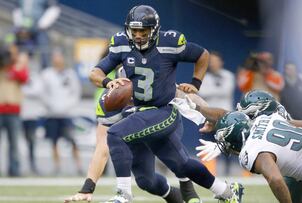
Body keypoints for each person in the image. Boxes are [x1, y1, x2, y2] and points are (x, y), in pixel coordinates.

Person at [89, 5, 242, 203]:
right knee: (174, 168)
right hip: (136, 114)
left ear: (154, 30)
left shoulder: (169, 43)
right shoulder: (121, 44)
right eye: (134, 31)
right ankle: (228, 192)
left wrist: (196, 83)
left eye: (143, 31)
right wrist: (107, 82)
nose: (138, 36)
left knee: (116, 134)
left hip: (162, 111)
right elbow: (95, 72)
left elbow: (202, 54)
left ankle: (123, 194)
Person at [64, 66, 202, 203]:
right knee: (146, 181)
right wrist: (88, 187)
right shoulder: (110, 102)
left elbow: (190, 98)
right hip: (136, 134)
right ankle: (172, 195)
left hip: (164, 123)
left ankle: (187, 186)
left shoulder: (159, 85)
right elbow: (102, 148)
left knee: (174, 157)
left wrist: (212, 117)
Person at [41, 50, 82, 175]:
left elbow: (76, 92)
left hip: (67, 114)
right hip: (52, 114)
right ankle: (57, 166)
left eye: (59, 57)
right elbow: (42, 93)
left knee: (73, 141)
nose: (57, 60)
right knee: (54, 142)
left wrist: (68, 106)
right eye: (55, 57)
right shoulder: (46, 74)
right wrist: (50, 106)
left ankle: (79, 166)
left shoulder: (70, 74)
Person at [0, 43, 28, 177]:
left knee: (14, 144)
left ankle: (14, 171)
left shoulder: (18, 66)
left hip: (13, 111)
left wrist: (13, 62)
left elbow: (23, 77)